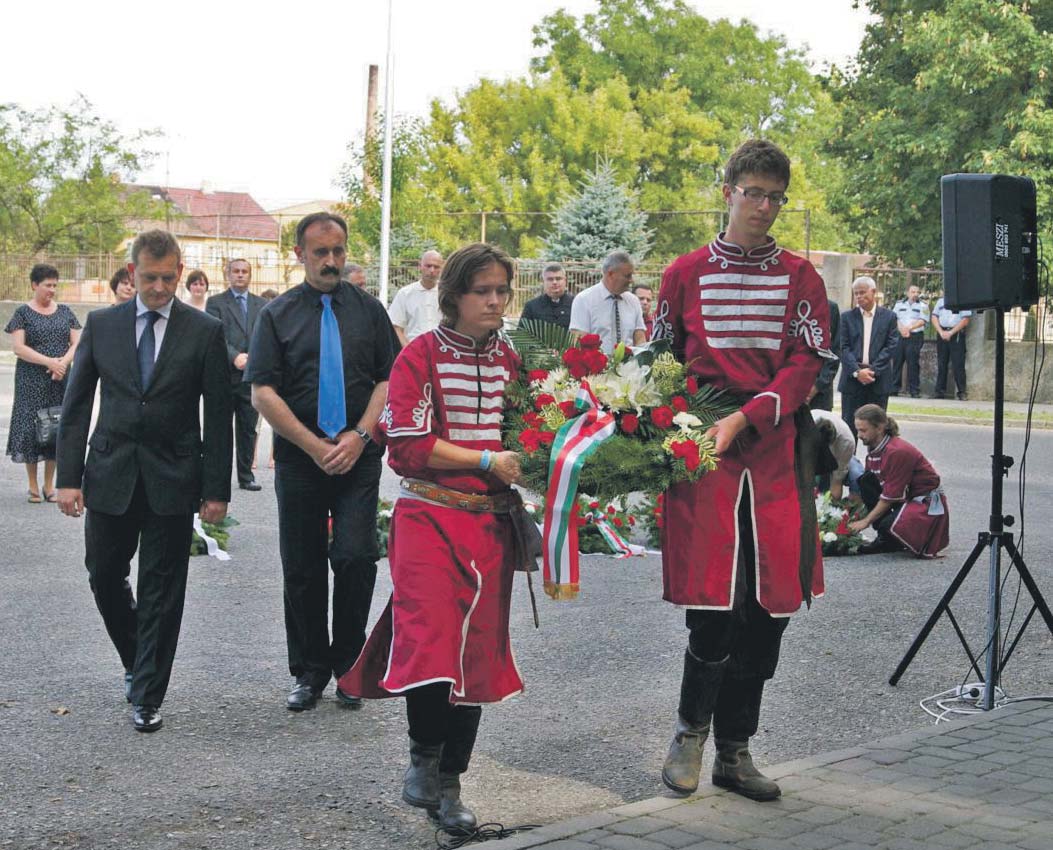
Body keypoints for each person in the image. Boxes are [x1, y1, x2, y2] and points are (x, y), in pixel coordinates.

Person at [652, 139, 832, 802]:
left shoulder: (801, 277)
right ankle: (689, 735)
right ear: (726, 191)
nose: (762, 206)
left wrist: (748, 417)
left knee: (769, 606)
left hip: (775, 453)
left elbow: (803, 366)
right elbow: (660, 361)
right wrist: (675, 423)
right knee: (712, 606)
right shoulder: (684, 272)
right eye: (751, 192)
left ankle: (736, 750)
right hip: (703, 457)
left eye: (773, 196)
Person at [338, 242, 527, 833]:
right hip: (427, 518)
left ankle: (450, 785)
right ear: (453, 296)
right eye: (482, 291)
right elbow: (409, 446)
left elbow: (528, 436)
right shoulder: (418, 354)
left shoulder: (514, 361)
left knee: (477, 657)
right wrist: (486, 457)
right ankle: (423, 758)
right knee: (431, 636)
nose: (495, 301)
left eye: (501, 290)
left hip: (491, 523)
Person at [55, 230, 232, 733]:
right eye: (149, 278)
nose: (159, 288)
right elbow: (77, 407)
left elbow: (219, 416)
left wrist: (216, 490)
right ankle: (138, 657)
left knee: (163, 588)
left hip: (174, 477)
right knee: (104, 574)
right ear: (132, 274)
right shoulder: (103, 324)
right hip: (110, 472)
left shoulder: (204, 331)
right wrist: (68, 478)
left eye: (167, 278)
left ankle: (149, 693)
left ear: (180, 273)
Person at [247, 212, 399, 712]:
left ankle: (350, 668)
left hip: (358, 456)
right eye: (320, 253)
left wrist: (359, 435)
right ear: (300, 255)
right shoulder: (277, 315)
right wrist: (314, 446)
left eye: (338, 250)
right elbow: (263, 392)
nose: (332, 261)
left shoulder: (369, 311)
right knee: (304, 566)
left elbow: (386, 379)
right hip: (300, 460)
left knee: (355, 557)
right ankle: (310, 671)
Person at [5, 264, 82, 503]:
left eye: (55, 286)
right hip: (31, 379)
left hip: (60, 379)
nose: (52, 290)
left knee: (56, 429)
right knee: (31, 429)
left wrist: (62, 364)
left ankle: (50, 485)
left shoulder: (66, 311)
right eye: (47, 285)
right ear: (34, 285)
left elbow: (77, 343)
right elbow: (19, 347)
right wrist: (50, 362)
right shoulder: (22, 313)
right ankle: (32, 485)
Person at [850, 404, 949, 557]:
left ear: (880, 428)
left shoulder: (897, 451)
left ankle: (890, 537)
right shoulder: (876, 448)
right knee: (865, 481)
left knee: (887, 524)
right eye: (858, 430)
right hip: (905, 496)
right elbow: (874, 487)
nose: (859, 435)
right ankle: (887, 538)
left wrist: (865, 521)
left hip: (925, 502)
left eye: (863, 430)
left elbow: (890, 495)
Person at [206, 259, 266, 491]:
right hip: (224, 376)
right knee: (220, 430)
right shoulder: (216, 303)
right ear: (228, 275)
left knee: (248, 428)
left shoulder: (261, 304)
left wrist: (253, 357)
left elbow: (264, 334)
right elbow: (215, 334)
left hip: (250, 377)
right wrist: (234, 357)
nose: (240, 275)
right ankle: (217, 478)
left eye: (245, 271)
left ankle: (246, 475)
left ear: (250, 275)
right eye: (236, 271)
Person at [838, 276, 899, 439]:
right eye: (856, 293)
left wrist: (872, 371)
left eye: (862, 292)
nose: (859, 297)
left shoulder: (889, 317)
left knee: (877, 427)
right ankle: (850, 464)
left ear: (873, 292)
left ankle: (877, 462)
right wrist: (858, 372)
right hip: (853, 380)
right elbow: (843, 348)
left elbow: (891, 346)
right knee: (849, 429)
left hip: (877, 380)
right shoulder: (846, 317)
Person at [569, 251, 647, 353]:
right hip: (596, 367)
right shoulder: (584, 300)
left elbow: (640, 338)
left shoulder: (633, 301)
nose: (631, 280)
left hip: (630, 367)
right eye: (627, 276)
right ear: (610, 274)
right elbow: (578, 342)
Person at [388, 250, 443, 347]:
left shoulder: (447, 294)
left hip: (443, 352)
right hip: (414, 352)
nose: (432, 270)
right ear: (420, 266)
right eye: (428, 266)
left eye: (436, 267)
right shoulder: (405, 294)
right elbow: (396, 327)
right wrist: (408, 350)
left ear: (441, 268)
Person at [891, 285, 929, 398]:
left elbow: (923, 320)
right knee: (897, 362)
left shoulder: (923, 305)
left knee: (913, 363)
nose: (915, 294)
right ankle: (893, 389)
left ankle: (914, 390)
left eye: (917, 292)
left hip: (915, 336)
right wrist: (902, 329)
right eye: (913, 292)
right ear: (907, 293)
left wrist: (909, 328)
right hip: (900, 335)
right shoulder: (899, 304)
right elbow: (894, 318)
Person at [811, 408, 858, 500]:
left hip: (839, 453)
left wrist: (828, 509)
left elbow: (837, 481)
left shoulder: (846, 443)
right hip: (808, 443)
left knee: (856, 475)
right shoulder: (803, 428)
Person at [932, 293, 972, 400]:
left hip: (956, 334)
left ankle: (962, 392)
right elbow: (934, 317)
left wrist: (951, 333)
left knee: (958, 364)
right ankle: (939, 391)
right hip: (942, 333)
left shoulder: (963, 301)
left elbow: (965, 320)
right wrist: (941, 332)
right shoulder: (941, 301)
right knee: (941, 363)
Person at [808, 297, 841, 412]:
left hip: (821, 393)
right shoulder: (788, 305)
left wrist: (818, 386)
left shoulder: (831, 308)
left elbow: (834, 352)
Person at [519, 262, 573, 329]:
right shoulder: (531, 306)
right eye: (550, 279)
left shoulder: (575, 304)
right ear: (543, 282)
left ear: (565, 280)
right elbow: (522, 333)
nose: (554, 282)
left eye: (558, 279)